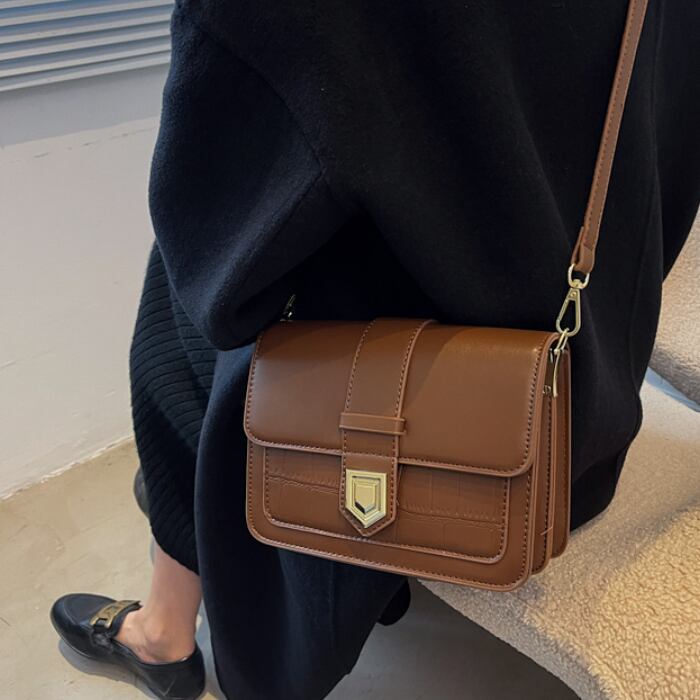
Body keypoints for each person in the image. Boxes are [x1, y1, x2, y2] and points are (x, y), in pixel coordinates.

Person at [50, 2, 700, 699]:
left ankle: (162, 634)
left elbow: (219, 272)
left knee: (174, 310)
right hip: (582, 410)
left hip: (376, 430)